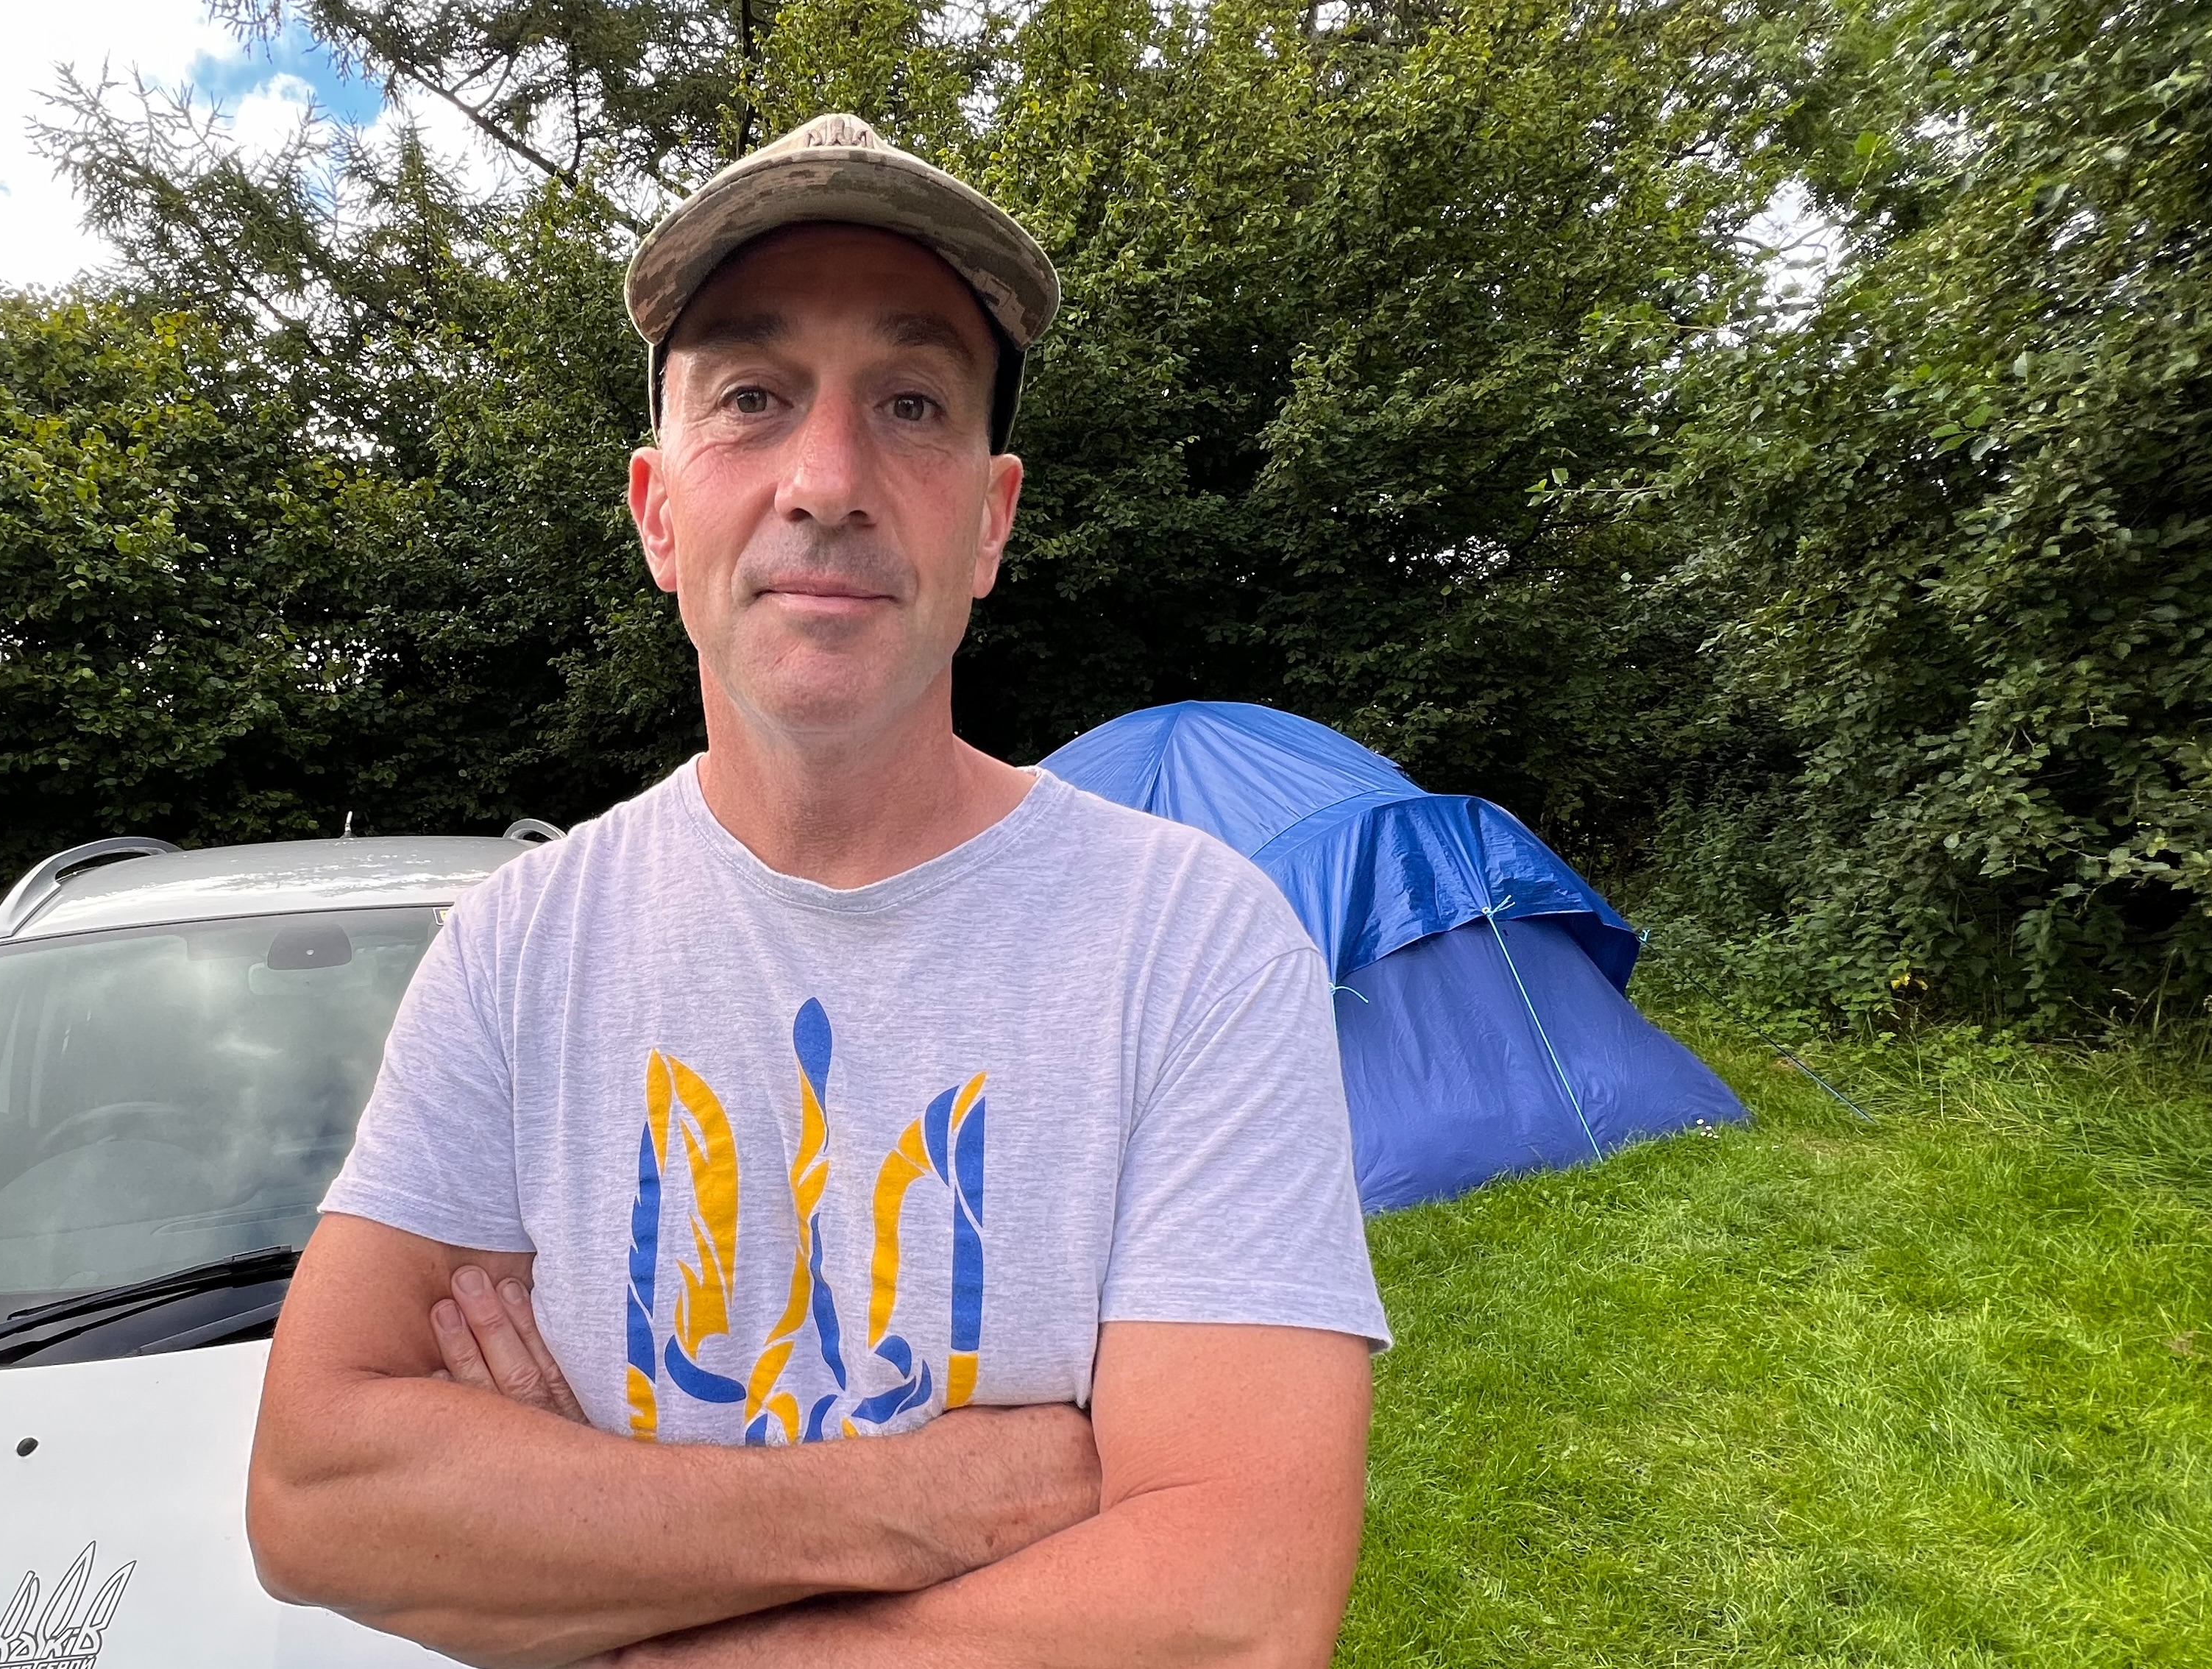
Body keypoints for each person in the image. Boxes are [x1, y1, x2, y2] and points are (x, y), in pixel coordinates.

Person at [246, 113, 1391, 1668]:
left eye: (911, 404)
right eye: (752, 398)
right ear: (659, 512)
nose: (828, 480)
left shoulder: (1192, 944)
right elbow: (315, 1499)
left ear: (990, 521)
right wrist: (906, 1507)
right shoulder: (521, 948)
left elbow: (1233, 1609)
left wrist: (613, 1570)